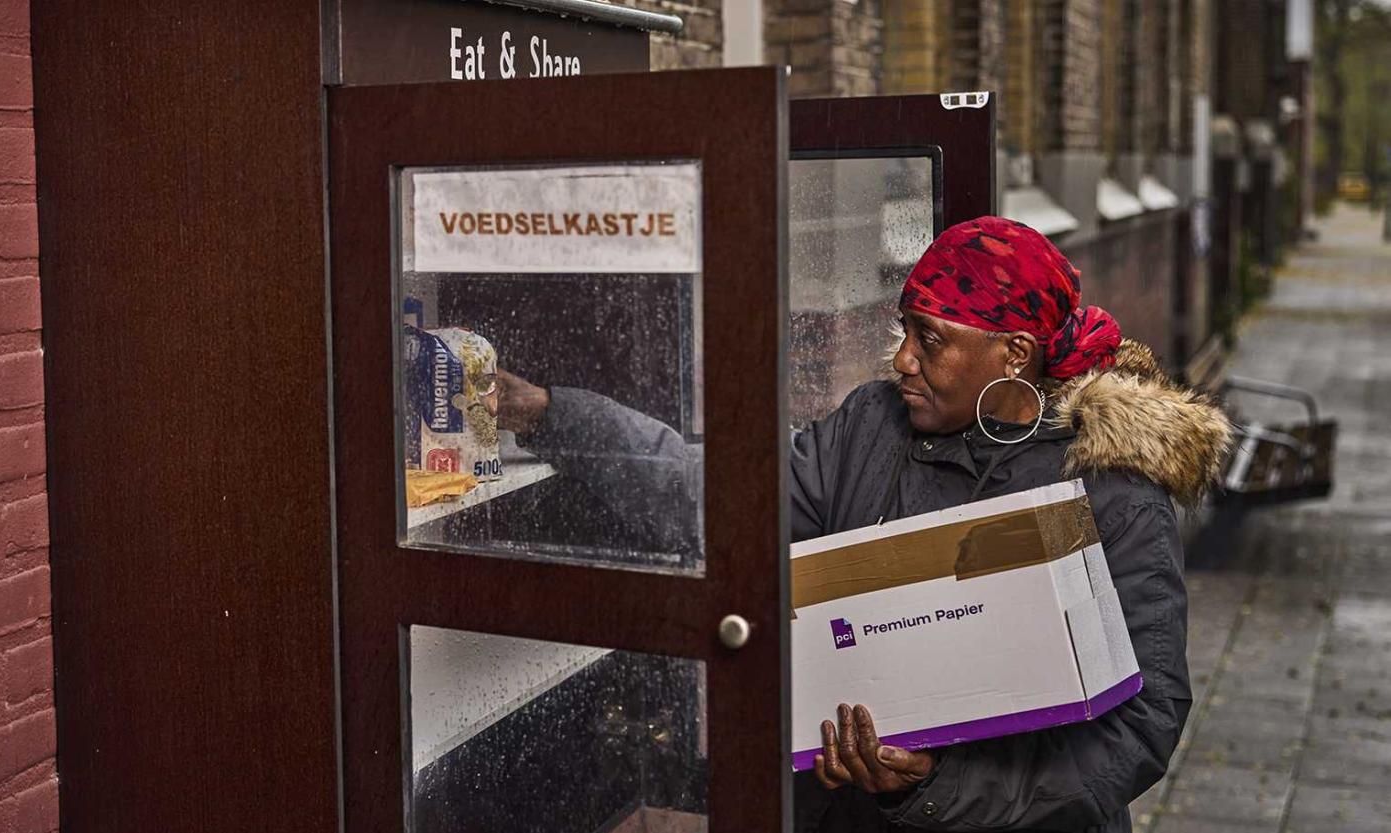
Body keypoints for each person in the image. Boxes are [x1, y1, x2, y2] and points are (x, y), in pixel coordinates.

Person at [495, 216, 1231, 833]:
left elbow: (1143, 724)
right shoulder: (868, 429)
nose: (903, 359)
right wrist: (552, 414)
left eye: (930, 338)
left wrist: (939, 785)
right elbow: (717, 502)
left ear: (1013, 355)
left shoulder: (1113, 490)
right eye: (903, 330)